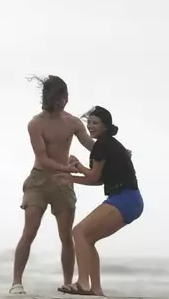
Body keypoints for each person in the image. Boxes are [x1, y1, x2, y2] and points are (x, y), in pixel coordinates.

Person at [9, 75, 97, 295]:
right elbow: (43, 156)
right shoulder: (36, 123)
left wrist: (116, 152)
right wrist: (68, 169)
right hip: (39, 180)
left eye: (66, 96)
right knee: (29, 232)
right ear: (52, 98)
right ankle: (16, 283)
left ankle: (68, 283)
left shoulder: (73, 122)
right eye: (61, 97)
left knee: (66, 236)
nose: (65, 101)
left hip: (62, 184)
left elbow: (90, 145)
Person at [56, 106, 143, 297]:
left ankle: (83, 283)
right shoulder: (105, 145)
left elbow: (94, 176)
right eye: (89, 122)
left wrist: (76, 167)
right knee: (89, 239)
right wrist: (71, 177)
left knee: (79, 232)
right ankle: (96, 289)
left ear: (105, 126)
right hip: (130, 200)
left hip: (125, 198)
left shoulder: (102, 145)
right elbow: (98, 180)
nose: (90, 126)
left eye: (95, 123)